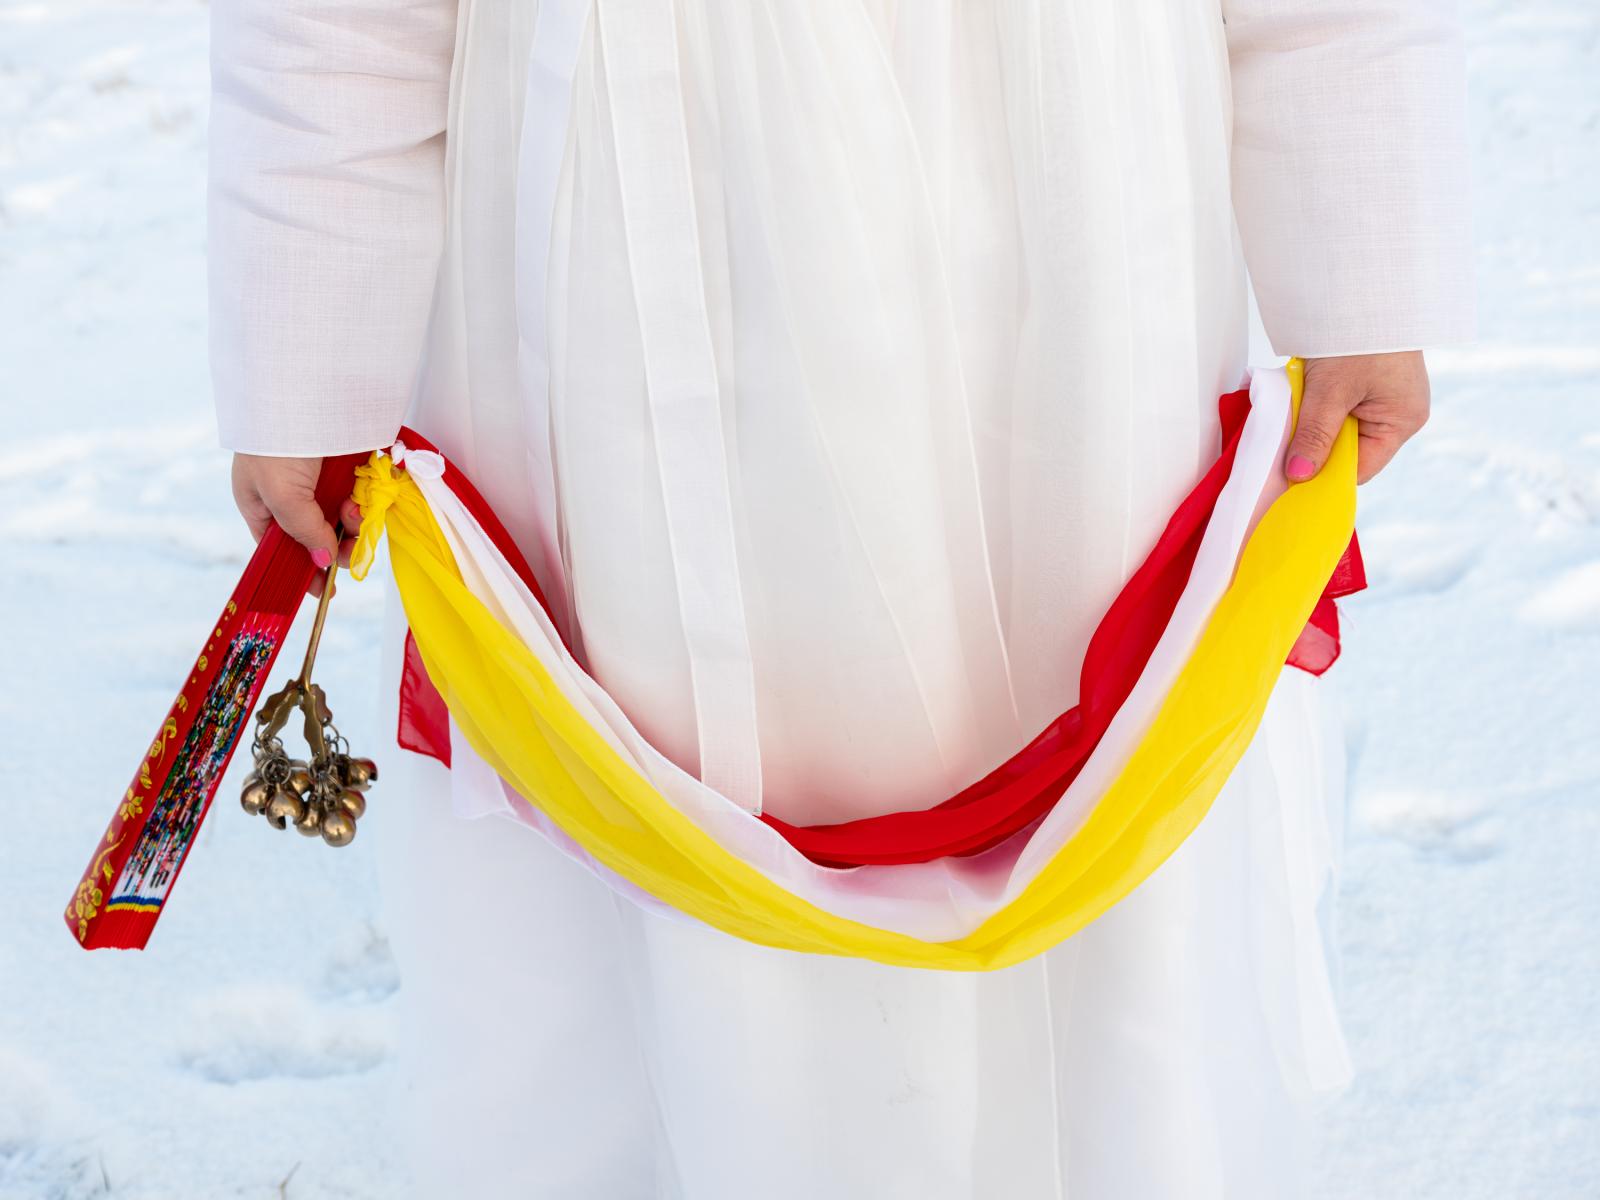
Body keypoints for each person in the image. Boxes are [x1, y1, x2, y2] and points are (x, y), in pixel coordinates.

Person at [210, 2, 1474, 1196]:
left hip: (1071, 203)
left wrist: (1360, 263)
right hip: (632, 197)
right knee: (672, 704)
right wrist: (312, 358)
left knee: (1065, 666)